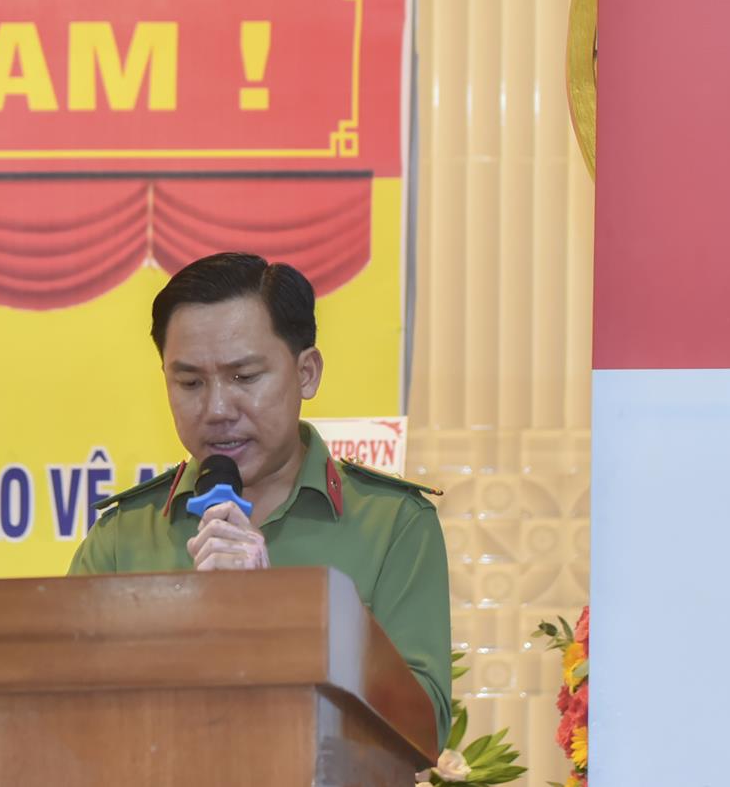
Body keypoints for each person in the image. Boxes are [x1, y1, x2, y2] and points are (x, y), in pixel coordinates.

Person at [68, 251, 452, 744]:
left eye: (244, 377)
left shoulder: (393, 523)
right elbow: (62, 709)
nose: (217, 409)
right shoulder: (124, 534)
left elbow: (422, 726)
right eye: (190, 382)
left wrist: (278, 617)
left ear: (306, 372)